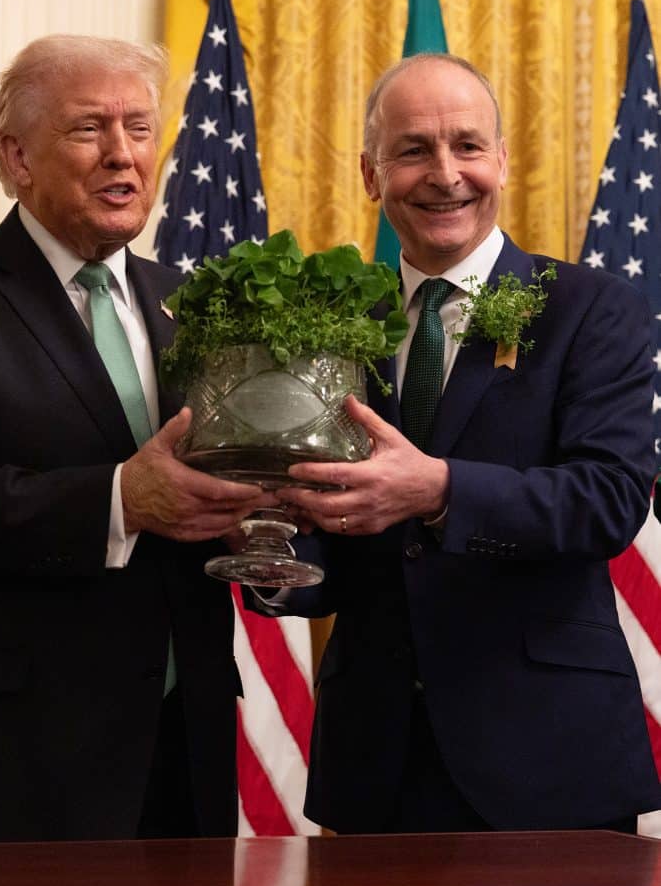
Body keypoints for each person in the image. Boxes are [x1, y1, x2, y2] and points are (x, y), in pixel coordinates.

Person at [0, 34, 272, 857]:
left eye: (140, 129)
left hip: (174, 759)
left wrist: (256, 512)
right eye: (88, 129)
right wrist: (118, 500)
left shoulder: (192, 302)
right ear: (15, 157)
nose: (124, 155)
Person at [265, 53, 661, 834]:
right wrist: (271, 544)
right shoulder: (336, 323)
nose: (445, 174)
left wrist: (440, 490)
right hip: (373, 765)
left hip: (548, 765)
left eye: (467, 146)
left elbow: (608, 501)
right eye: (412, 149)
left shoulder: (589, 309)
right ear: (371, 175)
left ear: (502, 162)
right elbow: (335, 553)